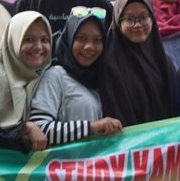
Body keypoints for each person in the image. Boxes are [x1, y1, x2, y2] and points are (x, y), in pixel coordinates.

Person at [29, 9, 123, 144]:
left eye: (97, 40)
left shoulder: (103, 80)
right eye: (81, 38)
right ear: (70, 38)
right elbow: (39, 130)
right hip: (66, 158)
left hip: (99, 158)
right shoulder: (55, 76)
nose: (89, 46)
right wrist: (91, 127)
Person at [0, 12, 54, 152]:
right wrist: (24, 129)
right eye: (29, 39)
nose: (38, 46)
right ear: (13, 41)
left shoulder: (52, 78)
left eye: (44, 40)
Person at [99, 0, 176, 126]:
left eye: (143, 17)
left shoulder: (164, 63)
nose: (137, 24)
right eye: (129, 19)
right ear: (118, 22)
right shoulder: (108, 65)